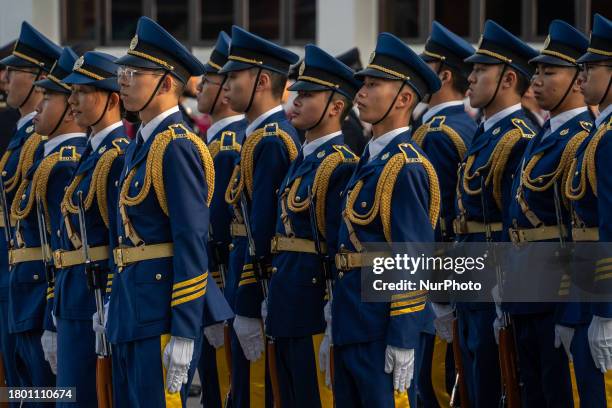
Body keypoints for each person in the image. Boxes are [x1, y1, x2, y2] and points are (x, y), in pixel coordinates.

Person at [102, 16, 214, 407]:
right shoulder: (141, 146)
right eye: (123, 71)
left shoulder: (176, 146)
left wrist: (185, 330)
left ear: (166, 83)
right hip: (131, 311)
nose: (124, 80)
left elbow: (192, 239)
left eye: (135, 73)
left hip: (161, 314)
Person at [332, 32, 441, 408]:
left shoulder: (405, 166)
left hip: (383, 326)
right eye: (362, 83)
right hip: (355, 321)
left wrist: (404, 335)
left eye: (374, 84)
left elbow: (413, 257)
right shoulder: (371, 159)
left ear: (404, 98)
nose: (360, 92)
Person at [265, 44, 361, 407]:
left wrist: (335, 312)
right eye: (297, 92)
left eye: (308, 95)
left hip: (314, 306)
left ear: (336, 107)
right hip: (286, 304)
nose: (296, 100)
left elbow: (338, 247)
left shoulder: (340, 165)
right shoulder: (302, 160)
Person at [504, 19, 591, 407]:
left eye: (549, 72)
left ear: (578, 80)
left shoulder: (583, 139)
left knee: (559, 395)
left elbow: (584, 230)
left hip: (558, 292)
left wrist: (573, 308)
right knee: (530, 392)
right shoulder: (542, 135)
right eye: (536, 71)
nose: (536, 80)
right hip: (526, 288)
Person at [453, 20, 538, 407]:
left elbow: (512, 221)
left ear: (507, 79)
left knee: (493, 383)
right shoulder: (486, 133)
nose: (469, 78)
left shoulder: (517, 136)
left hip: (493, 279)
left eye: (480, 70)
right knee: (472, 382)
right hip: (470, 274)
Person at [219, 24, 300, 407]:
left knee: (256, 394)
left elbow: (263, 233)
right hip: (240, 279)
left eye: (234, 76)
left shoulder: (272, 140)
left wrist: (249, 304)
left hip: (258, 287)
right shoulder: (258, 136)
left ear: (262, 80)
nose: (226, 85)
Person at [50, 50, 128, 407]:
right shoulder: (92, 153)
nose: (73, 100)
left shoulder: (116, 156)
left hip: (94, 299)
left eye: (83, 91)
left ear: (112, 98)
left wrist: (110, 300)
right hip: (73, 295)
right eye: (71, 91)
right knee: (66, 396)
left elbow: (120, 239)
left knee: (87, 398)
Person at [9, 46, 87, 392]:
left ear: (70, 109)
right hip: (26, 291)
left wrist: (50, 311)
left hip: (42, 293)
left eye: (48, 98)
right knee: (23, 391)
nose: (37, 108)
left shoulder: (65, 164)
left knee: (46, 391)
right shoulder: (46, 160)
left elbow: (61, 245)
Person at [413, 20, 477, 407]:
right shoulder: (464, 125)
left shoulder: (435, 133)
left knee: (435, 384)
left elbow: (432, 217)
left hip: (438, 275)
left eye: (428, 66)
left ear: (445, 75)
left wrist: (436, 290)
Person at [0, 22, 61, 395]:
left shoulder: (45, 141)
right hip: (14, 271)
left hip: (37, 278)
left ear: (40, 78)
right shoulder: (23, 135)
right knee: (21, 386)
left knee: (42, 388)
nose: (4, 78)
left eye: (14, 71)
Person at [195, 30, 245, 408]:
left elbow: (221, 230)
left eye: (208, 81)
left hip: (225, 283)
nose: (197, 87)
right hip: (215, 286)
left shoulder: (228, 147)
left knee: (227, 389)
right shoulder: (214, 142)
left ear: (226, 89)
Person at [564, 13, 612, 408]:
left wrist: (606, 312)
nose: (581, 77)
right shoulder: (599, 133)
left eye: (592, 67)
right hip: (584, 293)